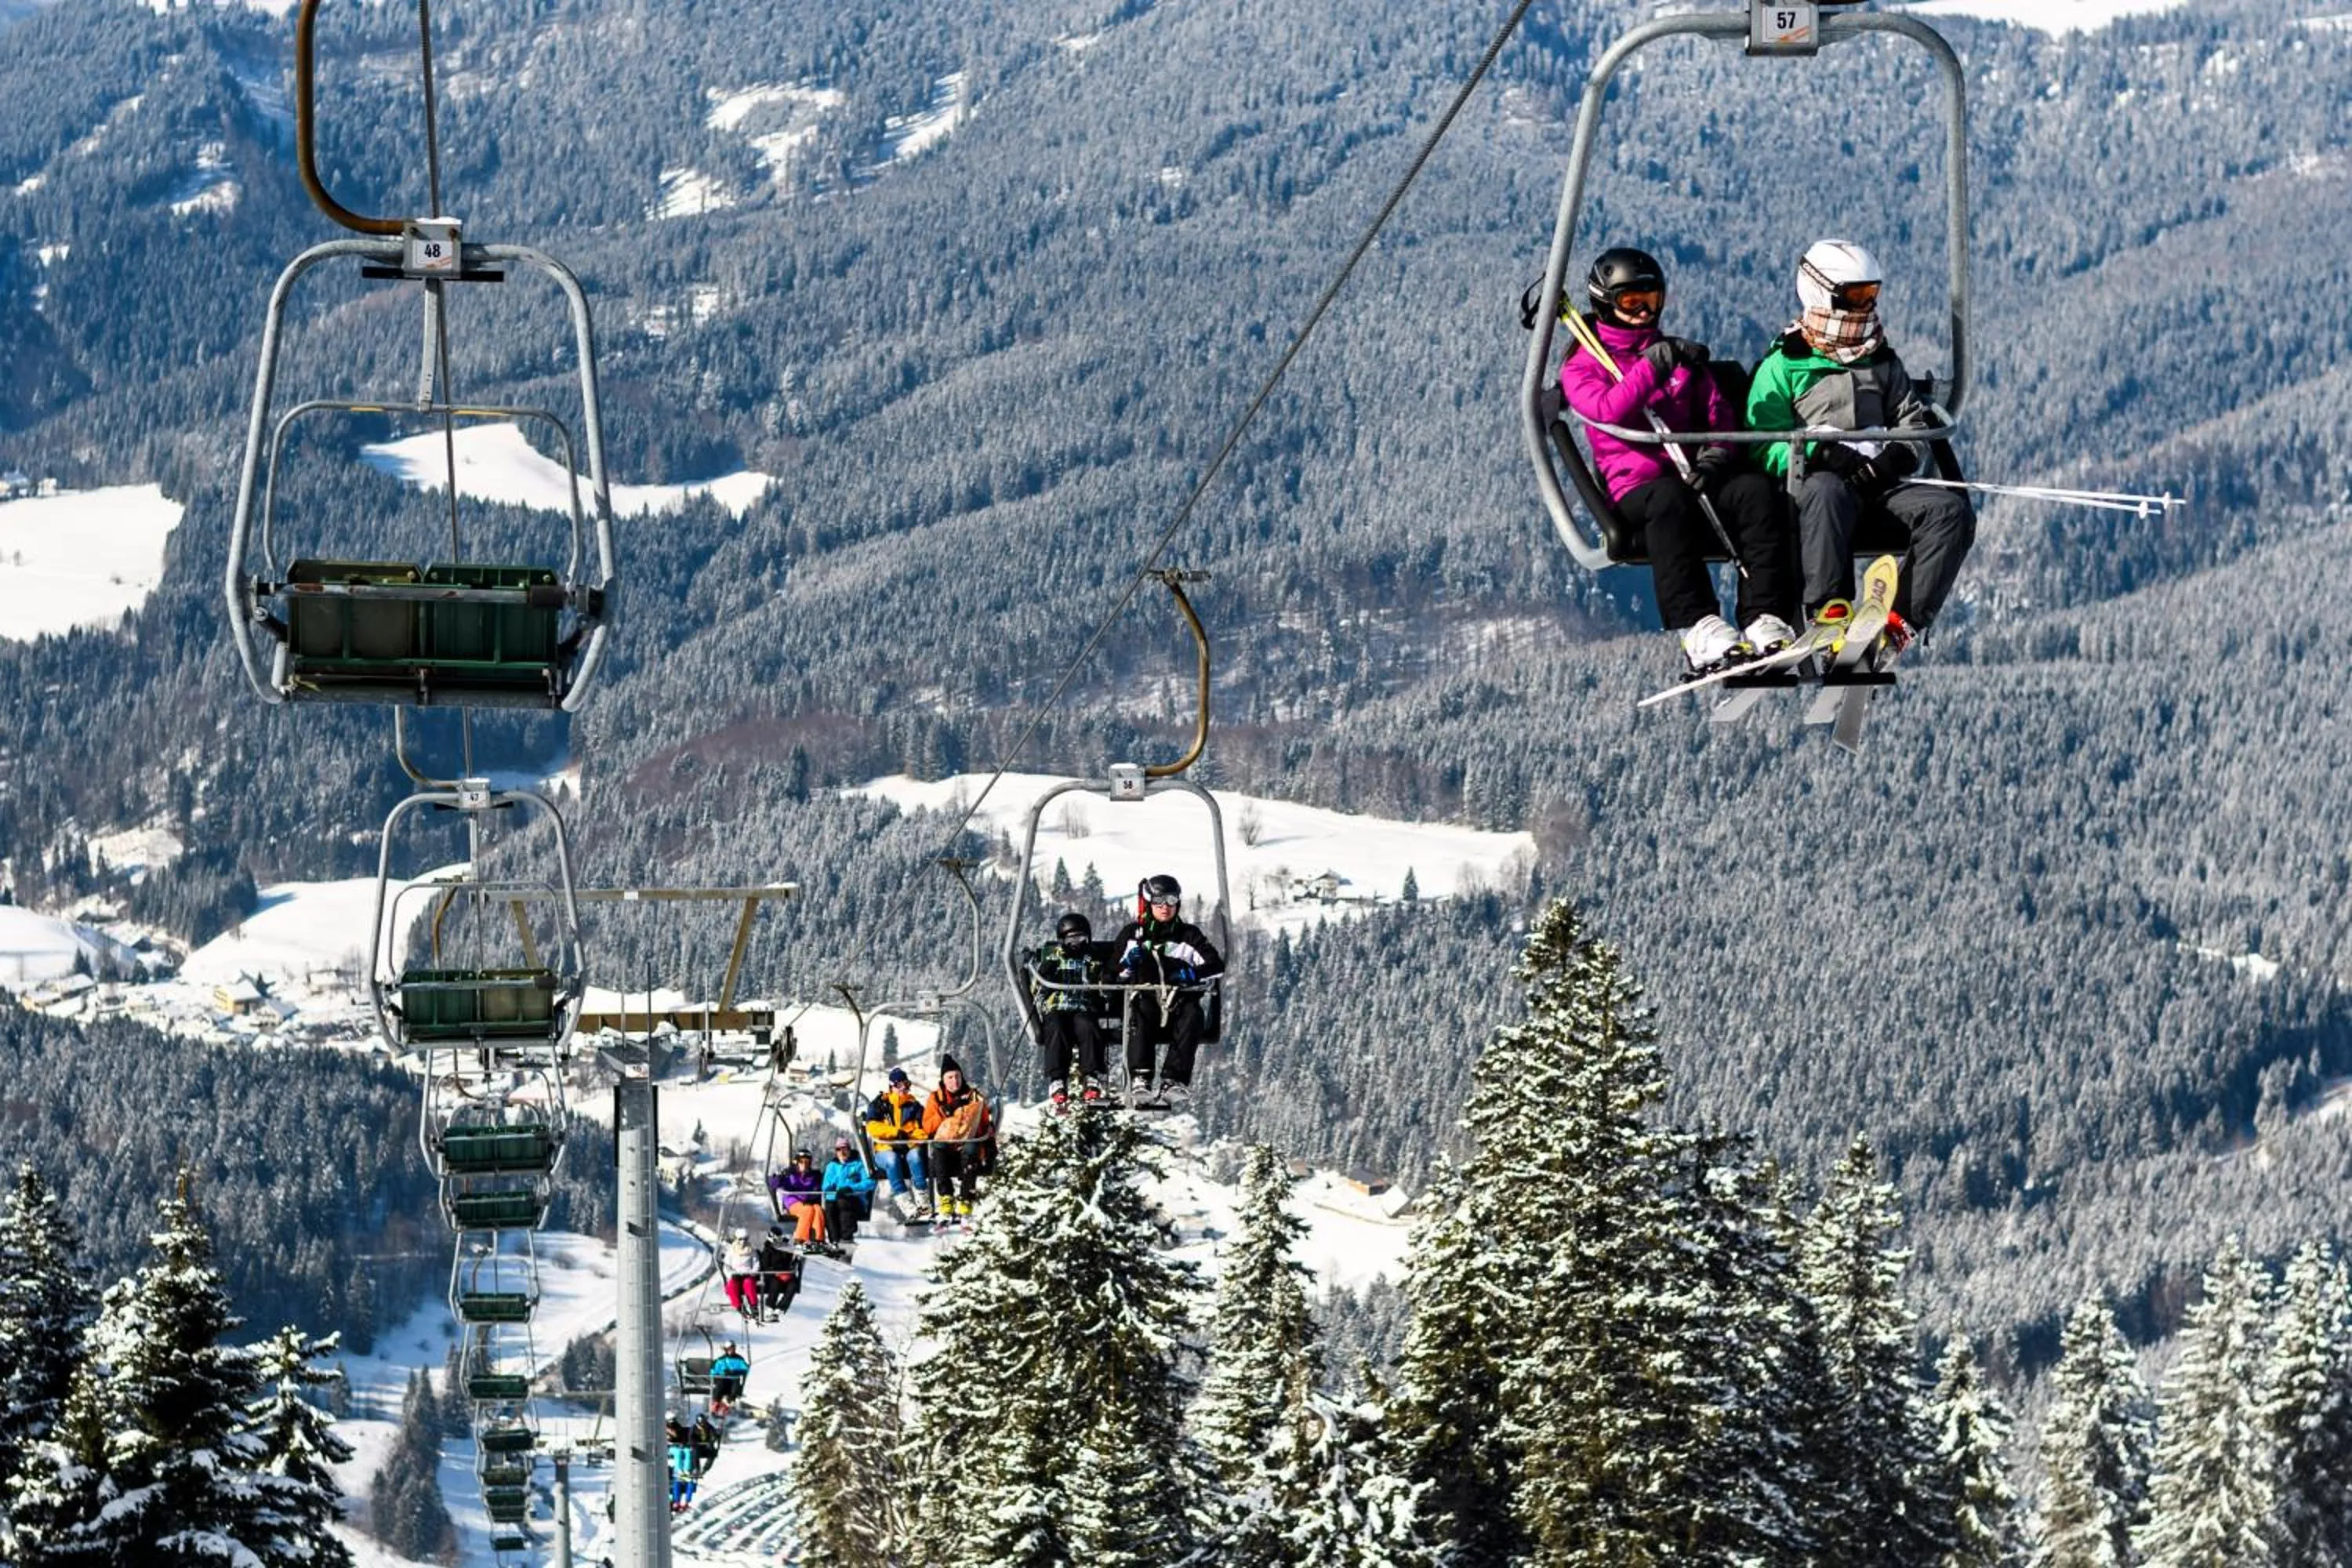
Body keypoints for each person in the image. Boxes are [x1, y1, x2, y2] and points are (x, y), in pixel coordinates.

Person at [1559, 246, 1802, 677]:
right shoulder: (1584, 366)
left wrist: (1714, 457)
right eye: (1631, 303)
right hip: (1637, 491)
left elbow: (1718, 415)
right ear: (1605, 304)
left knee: (1754, 491)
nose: (1643, 312)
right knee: (1667, 498)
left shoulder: (1677, 359)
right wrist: (1652, 366)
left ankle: (1764, 615)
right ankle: (1699, 626)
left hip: (1695, 479)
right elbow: (1609, 410)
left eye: (1652, 301)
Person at [1745, 238, 1976, 646]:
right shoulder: (1785, 363)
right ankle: (1829, 611)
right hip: (1814, 492)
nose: (1866, 306)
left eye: (1872, 294)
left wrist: (1894, 459)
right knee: (1826, 491)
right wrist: (1820, 453)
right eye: (1856, 296)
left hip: (1878, 486)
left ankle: (1900, 622)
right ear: (1822, 293)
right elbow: (1763, 444)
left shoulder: (1881, 359)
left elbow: (1911, 424)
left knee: (1949, 511)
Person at [1110, 874, 1225, 1109]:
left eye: (1171, 901)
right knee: (1141, 1009)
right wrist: (1127, 966)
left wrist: (1192, 975)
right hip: (1144, 1000)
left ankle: (1174, 1079)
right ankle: (1141, 1076)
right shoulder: (1133, 936)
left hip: (1177, 1003)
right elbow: (1109, 976)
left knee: (1193, 1014)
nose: (1165, 907)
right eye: (1159, 901)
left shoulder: (1188, 936)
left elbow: (1216, 966)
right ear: (1149, 903)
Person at [1029, 911, 1112, 1109]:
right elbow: (1037, 987)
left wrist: (1105, 982)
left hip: (1083, 1005)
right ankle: (1057, 1079)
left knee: (1088, 1027)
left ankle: (1091, 1076)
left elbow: (1103, 985)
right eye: (1071, 939)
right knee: (1056, 1028)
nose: (1076, 944)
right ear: (1062, 940)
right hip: (1058, 1005)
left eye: (1081, 938)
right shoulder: (1054, 959)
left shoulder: (1092, 959)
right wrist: (1046, 976)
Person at [921, 1054, 993, 1221]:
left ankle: (966, 1199)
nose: (955, 1081)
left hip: (966, 1145)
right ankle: (946, 1197)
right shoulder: (936, 1099)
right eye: (950, 1077)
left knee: (971, 1147)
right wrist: (945, 1111)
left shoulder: (973, 1097)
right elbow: (927, 1127)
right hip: (946, 1147)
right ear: (943, 1080)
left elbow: (984, 1123)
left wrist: (990, 1143)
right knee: (938, 1148)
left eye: (957, 1076)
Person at [862, 1067, 932, 1218]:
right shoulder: (880, 1104)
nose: (903, 1089)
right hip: (885, 1149)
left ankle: (923, 1200)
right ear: (891, 1086)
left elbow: (925, 1129)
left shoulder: (914, 1106)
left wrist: (908, 1137)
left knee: (915, 1156)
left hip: (908, 1147)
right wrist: (894, 1133)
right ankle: (905, 1203)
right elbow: (872, 1126)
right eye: (899, 1085)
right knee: (892, 1160)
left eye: (906, 1085)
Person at [821, 1135, 876, 1243]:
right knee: (829, 1204)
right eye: (839, 1149)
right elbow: (825, 1186)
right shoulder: (832, 1166)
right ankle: (834, 1239)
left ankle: (847, 1237)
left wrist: (851, 1188)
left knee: (843, 1202)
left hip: (855, 1198)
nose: (842, 1152)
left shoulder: (859, 1164)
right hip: (836, 1196)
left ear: (849, 1149)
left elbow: (870, 1182)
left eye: (845, 1148)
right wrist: (830, 1188)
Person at [771, 1149, 827, 1247]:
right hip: (793, 1203)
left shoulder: (813, 1176)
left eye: (807, 1162)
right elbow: (773, 1184)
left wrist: (813, 1196)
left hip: (808, 1202)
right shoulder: (790, 1175)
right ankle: (800, 1239)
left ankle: (818, 1240)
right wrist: (781, 1176)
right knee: (807, 1210)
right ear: (797, 1162)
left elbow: (818, 1189)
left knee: (818, 1209)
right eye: (801, 1162)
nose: (804, 1164)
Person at [720, 1228, 759, 1320]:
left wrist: (752, 1272)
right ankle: (740, 1307)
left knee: (749, 1284)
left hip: (747, 1274)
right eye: (740, 1239)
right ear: (736, 1239)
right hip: (735, 1274)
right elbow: (726, 1266)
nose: (743, 1242)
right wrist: (731, 1274)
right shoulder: (731, 1251)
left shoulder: (751, 1251)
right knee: (731, 1287)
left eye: (745, 1239)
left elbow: (756, 1264)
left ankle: (754, 1307)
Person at [708, 1341, 750, 1416]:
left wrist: (734, 1372)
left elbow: (745, 1369)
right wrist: (721, 1374)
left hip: (733, 1382)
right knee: (721, 1383)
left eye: (733, 1349)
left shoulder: (739, 1359)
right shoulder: (721, 1360)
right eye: (729, 1349)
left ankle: (729, 1403)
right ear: (726, 1350)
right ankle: (716, 1404)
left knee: (736, 1381)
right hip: (723, 1382)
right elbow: (713, 1371)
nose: (731, 1351)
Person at [688, 1412, 720, 1478]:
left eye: (703, 1422)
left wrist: (711, 1441)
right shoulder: (694, 1428)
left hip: (707, 1447)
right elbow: (691, 1437)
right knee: (695, 1451)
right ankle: (696, 1469)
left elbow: (714, 1435)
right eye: (700, 1422)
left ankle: (705, 1469)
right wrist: (694, 1442)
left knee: (712, 1453)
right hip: (698, 1447)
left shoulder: (709, 1427)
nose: (702, 1424)